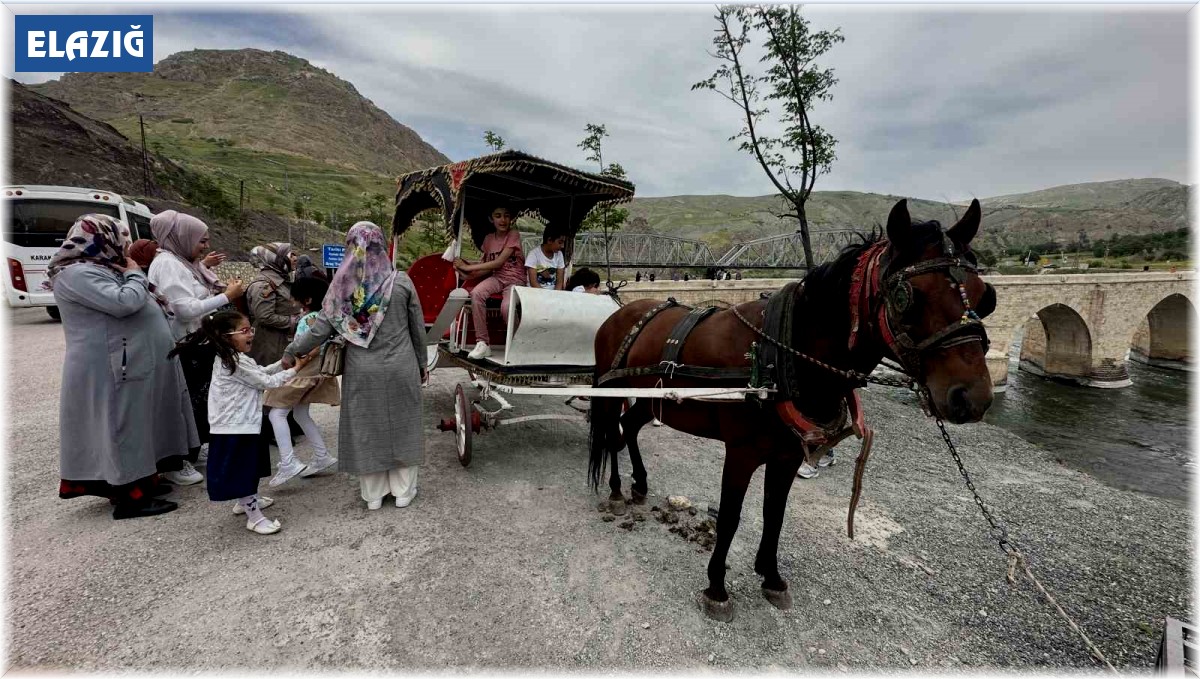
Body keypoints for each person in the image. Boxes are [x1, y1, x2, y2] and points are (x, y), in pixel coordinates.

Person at [47, 214, 197, 519]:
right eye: (121, 238)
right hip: (112, 366)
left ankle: (143, 482)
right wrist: (135, 273)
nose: (125, 246)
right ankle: (130, 497)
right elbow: (124, 302)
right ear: (100, 238)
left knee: (137, 425)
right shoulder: (76, 274)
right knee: (122, 426)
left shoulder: (101, 268)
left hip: (127, 362)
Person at [285, 222, 427, 511]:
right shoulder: (400, 281)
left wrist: (291, 350)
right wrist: (422, 363)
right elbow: (417, 329)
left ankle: (373, 495)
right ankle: (402, 492)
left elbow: (319, 330)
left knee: (367, 426)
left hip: (362, 370)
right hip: (401, 364)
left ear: (352, 247)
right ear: (380, 245)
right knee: (403, 425)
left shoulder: (342, 288)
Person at [172, 310, 311, 534]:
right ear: (226, 336)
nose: (251, 335)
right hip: (235, 427)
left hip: (241, 424)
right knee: (243, 471)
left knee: (247, 468)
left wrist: (283, 364)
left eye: (250, 329)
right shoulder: (233, 363)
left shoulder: (234, 358)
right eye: (244, 331)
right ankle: (254, 517)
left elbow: (260, 372)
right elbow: (266, 381)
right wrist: (296, 369)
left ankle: (245, 500)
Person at [148, 210, 246, 485]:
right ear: (181, 237)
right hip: (185, 344)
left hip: (196, 341)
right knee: (189, 401)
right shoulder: (168, 264)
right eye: (201, 241)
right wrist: (226, 296)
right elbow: (184, 310)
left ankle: (197, 446)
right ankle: (180, 458)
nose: (204, 246)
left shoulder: (181, 262)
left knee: (199, 400)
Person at [264, 276, 341, 487]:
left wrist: (294, 361)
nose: (292, 302)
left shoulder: (310, 319)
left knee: (276, 413)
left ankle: (288, 462)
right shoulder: (322, 316)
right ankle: (321, 455)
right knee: (300, 413)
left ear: (306, 300)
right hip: (314, 373)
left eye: (295, 299)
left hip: (303, 372)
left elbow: (309, 345)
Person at [455, 204, 525, 359]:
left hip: (515, 279)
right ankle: (483, 342)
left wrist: (468, 267)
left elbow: (498, 262)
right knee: (477, 293)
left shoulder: (513, 235)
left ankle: (519, 343)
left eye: (506, 215)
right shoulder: (488, 239)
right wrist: (466, 273)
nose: (503, 220)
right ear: (491, 219)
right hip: (497, 277)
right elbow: (487, 267)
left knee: (506, 307)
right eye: (498, 216)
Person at [525, 225, 567, 291]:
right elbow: (533, 283)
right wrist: (545, 297)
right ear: (549, 240)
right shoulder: (533, 254)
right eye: (560, 242)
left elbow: (559, 282)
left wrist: (555, 295)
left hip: (553, 295)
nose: (562, 246)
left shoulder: (559, 255)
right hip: (535, 293)